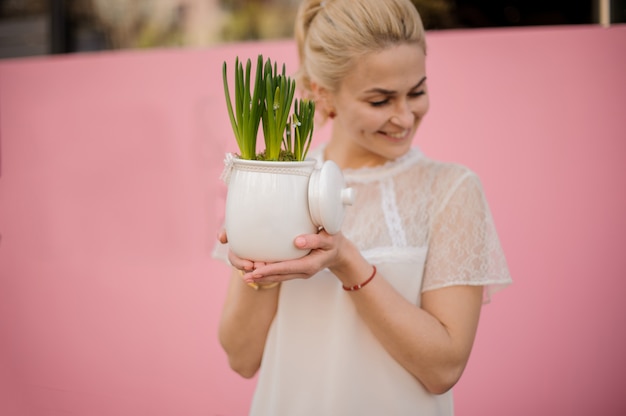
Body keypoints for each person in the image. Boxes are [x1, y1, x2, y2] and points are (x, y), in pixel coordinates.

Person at [215, 0, 512, 414]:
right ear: (323, 94)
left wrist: (346, 261)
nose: (405, 117)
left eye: (418, 92)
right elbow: (242, 358)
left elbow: (443, 368)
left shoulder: (450, 190)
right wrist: (256, 255)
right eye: (380, 101)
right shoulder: (280, 182)